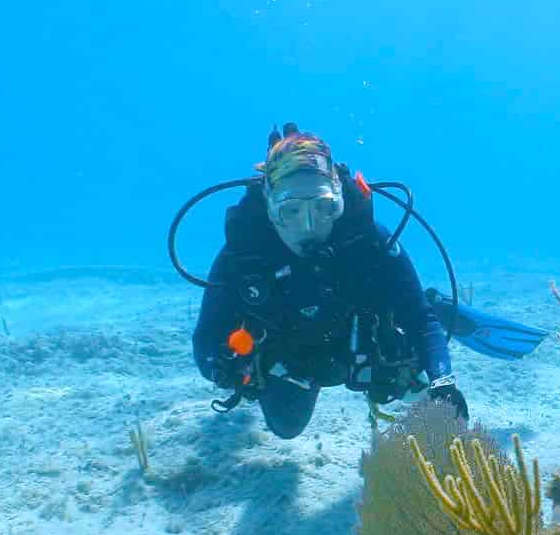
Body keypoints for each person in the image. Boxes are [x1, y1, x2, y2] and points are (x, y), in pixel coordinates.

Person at [193, 125, 466, 437]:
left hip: (359, 346)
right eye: (291, 210)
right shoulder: (244, 255)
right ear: (269, 207)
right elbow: (205, 337)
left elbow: (420, 321)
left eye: (323, 207)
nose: (308, 226)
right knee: (286, 427)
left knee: (421, 387)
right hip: (290, 362)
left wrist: (443, 381)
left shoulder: (368, 241)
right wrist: (222, 368)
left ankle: (429, 299)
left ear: (340, 200)